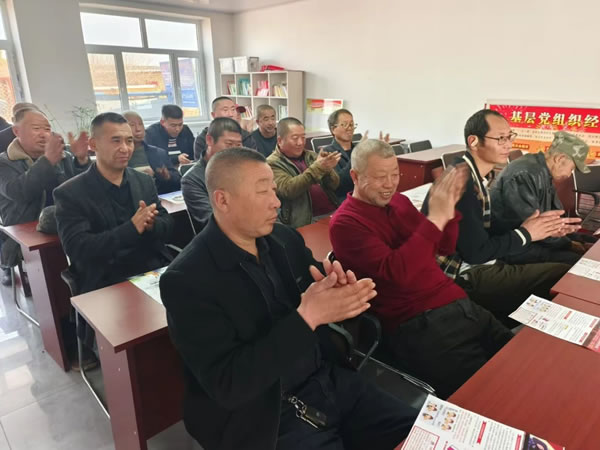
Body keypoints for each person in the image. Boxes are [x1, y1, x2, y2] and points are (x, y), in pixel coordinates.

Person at [160, 147, 418, 450]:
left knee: (423, 435)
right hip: (266, 414)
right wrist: (307, 316)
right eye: (262, 192)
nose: (276, 201)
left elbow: (319, 299)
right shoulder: (187, 279)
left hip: (328, 381)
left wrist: (339, 296)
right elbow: (229, 384)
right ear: (222, 200)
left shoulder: (284, 239)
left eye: (273, 189)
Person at [329, 139, 514, 398]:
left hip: (458, 303)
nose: (390, 184)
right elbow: (398, 274)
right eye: (380, 177)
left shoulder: (399, 201)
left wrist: (449, 211)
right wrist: (435, 219)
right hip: (419, 322)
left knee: (519, 364)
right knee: (488, 395)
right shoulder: (345, 223)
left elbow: (444, 246)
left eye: (395, 174)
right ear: (355, 176)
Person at [422, 109, 580, 325]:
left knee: (559, 268)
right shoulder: (462, 185)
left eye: (510, 137)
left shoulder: (470, 174)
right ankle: (514, 332)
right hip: (460, 274)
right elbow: (476, 254)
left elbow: (480, 236)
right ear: (474, 141)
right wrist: (527, 233)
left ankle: (505, 324)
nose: (508, 144)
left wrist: (541, 229)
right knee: (560, 274)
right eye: (500, 139)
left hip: (481, 260)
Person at [54, 112, 173, 295]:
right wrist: (131, 228)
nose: (125, 148)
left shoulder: (143, 181)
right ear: (93, 144)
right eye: (116, 141)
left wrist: (152, 224)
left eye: (129, 141)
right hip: (106, 278)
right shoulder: (71, 193)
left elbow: (167, 223)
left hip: (152, 270)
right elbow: (78, 249)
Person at [0, 107, 90, 278]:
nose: (43, 134)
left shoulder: (63, 156)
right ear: (16, 131)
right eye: (36, 128)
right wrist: (47, 161)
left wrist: (81, 161)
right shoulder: (4, 163)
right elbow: (20, 192)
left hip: (66, 226)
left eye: (47, 129)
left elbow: (82, 191)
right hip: (26, 235)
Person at [490, 130, 592, 265]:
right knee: (579, 262)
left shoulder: (541, 169)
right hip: (516, 246)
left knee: (589, 242)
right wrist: (570, 245)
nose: (569, 174)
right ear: (559, 159)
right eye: (571, 168)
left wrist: (577, 238)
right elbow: (534, 228)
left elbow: (552, 218)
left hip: (536, 239)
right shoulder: (525, 174)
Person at [267, 117, 341, 228]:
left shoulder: (311, 155)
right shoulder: (271, 163)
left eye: (303, 137)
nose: (300, 143)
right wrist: (318, 168)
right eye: (295, 138)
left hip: (333, 210)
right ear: (280, 140)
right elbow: (288, 189)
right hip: (306, 220)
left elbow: (334, 185)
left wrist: (328, 169)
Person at [181, 117, 242, 231]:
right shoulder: (192, 180)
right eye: (229, 144)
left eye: (238, 145)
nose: (234, 151)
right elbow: (212, 220)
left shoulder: (243, 169)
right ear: (209, 140)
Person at [123, 111, 181, 194]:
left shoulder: (158, 153)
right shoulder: (119, 155)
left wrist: (167, 176)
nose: (138, 129)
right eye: (132, 125)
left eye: (140, 124)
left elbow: (177, 181)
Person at [322, 108, 358, 202]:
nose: (349, 128)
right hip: (343, 200)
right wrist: (357, 156)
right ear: (333, 129)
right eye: (344, 124)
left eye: (351, 124)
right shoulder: (328, 153)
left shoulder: (357, 149)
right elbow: (338, 184)